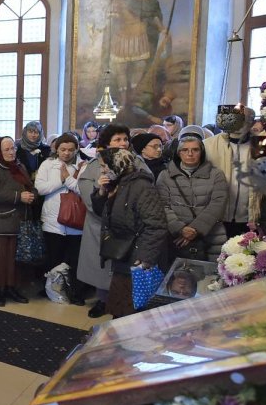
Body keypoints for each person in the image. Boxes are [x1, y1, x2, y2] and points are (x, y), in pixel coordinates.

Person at [91, 147, 167, 318]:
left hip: (137, 257)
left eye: (104, 166)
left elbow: (156, 226)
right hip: (123, 254)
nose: (102, 170)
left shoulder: (142, 187)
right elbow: (102, 213)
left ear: (117, 165)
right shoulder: (117, 184)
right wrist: (101, 192)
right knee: (120, 309)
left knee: (133, 310)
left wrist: (145, 257)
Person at [77, 123, 130, 317]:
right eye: (117, 139)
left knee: (124, 268)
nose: (123, 143)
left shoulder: (137, 163)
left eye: (125, 139)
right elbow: (86, 190)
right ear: (107, 143)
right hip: (100, 224)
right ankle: (103, 300)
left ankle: (122, 302)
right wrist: (99, 194)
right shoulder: (95, 165)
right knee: (102, 267)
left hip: (128, 226)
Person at [0, 136, 36, 306]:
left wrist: (33, 193)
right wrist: (19, 196)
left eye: (13, 148)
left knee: (14, 259)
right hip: (1, 220)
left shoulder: (19, 166)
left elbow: (28, 185)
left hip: (20, 219)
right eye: (7, 149)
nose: (12, 152)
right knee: (0, 258)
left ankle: (11, 288)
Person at [157, 133, 228, 262]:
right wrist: (180, 229)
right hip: (177, 237)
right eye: (185, 150)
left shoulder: (216, 174)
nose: (190, 154)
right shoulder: (165, 176)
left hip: (211, 235)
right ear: (179, 153)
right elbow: (162, 205)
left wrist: (195, 229)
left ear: (202, 152)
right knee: (179, 272)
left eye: (195, 150)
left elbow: (218, 204)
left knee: (211, 272)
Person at [35, 133, 86, 305]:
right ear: (56, 149)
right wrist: (62, 180)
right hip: (53, 221)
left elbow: (84, 190)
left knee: (74, 260)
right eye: (63, 149)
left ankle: (75, 292)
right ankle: (51, 289)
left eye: (71, 150)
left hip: (76, 221)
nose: (66, 153)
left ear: (76, 149)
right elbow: (40, 188)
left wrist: (68, 179)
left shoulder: (83, 165)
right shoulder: (48, 164)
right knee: (53, 258)